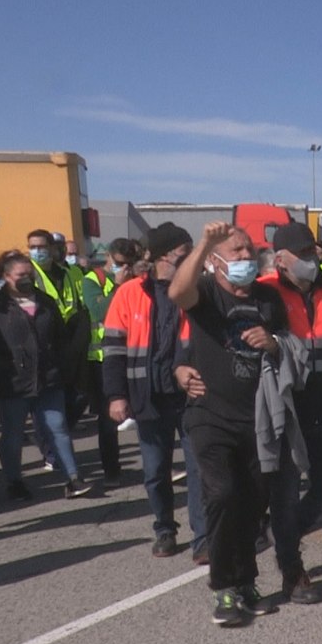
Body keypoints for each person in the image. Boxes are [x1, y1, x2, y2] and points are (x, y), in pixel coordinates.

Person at [170, 222, 287, 626]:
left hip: (258, 420)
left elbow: (289, 345)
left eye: (249, 251)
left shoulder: (269, 298)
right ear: (216, 261)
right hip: (210, 416)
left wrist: (272, 343)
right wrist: (203, 242)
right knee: (222, 494)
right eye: (236, 251)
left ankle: (245, 582)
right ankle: (223, 588)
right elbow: (176, 292)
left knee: (252, 503)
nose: (245, 258)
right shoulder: (205, 293)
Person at [104, 224, 207, 559]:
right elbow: (114, 349)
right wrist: (116, 396)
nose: (191, 255)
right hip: (148, 396)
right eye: (185, 250)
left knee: (198, 469)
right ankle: (164, 529)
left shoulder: (196, 289)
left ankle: (202, 537)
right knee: (154, 472)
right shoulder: (130, 293)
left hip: (191, 395)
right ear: (166, 255)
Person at [255, 223, 322, 604]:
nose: (311, 259)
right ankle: (292, 570)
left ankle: (282, 532)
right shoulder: (264, 292)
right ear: (281, 259)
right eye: (302, 254)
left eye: (312, 252)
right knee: (285, 491)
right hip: (286, 402)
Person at [0, 250, 90, 501]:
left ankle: (73, 479)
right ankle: (14, 481)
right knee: (14, 434)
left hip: (49, 379)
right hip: (12, 384)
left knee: (58, 427)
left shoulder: (45, 302)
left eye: (29, 274)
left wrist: (63, 368)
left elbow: (60, 339)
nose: (26, 278)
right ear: (6, 276)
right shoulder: (0, 305)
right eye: (20, 275)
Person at [84, 237, 143, 488]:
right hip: (102, 358)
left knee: (144, 411)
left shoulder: (134, 280)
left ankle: (156, 464)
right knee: (109, 419)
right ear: (109, 257)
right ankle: (111, 469)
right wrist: (119, 287)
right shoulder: (93, 280)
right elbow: (100, 312)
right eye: (120, 263)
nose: (125, 269)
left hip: (134, 353)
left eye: (130, 264)